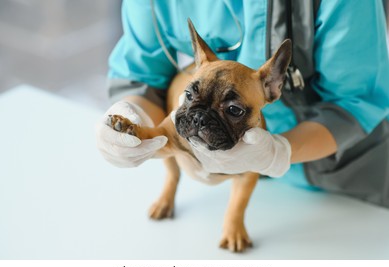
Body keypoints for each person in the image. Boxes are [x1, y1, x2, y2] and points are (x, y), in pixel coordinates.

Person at [96, 0, 389, 207]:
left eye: (233, 109)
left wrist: (278, 152)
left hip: (342, 174)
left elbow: (354, 101)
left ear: (274, 86)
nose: (199, 119)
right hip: (250, 194)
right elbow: (142, 76)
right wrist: (131, 120)